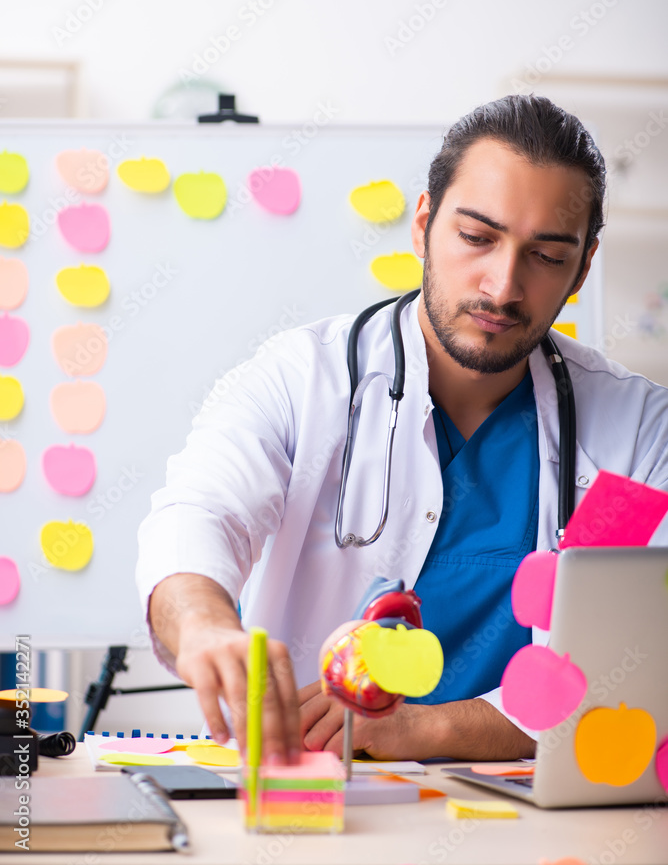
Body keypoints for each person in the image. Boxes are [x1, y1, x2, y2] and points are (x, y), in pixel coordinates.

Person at [136, 95, 668, 766]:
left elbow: (638, 656)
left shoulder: (636, 431)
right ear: (423, 226)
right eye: (477, 238)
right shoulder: (304, 379)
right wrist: (203, 624)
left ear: (582, 268)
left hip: (530, 811)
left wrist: (427, 730)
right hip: (324, 799)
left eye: (545, 255)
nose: (503, 286)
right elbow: (199, 513)